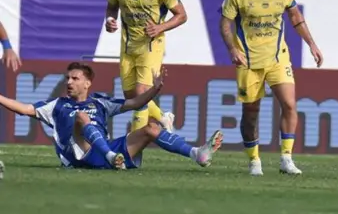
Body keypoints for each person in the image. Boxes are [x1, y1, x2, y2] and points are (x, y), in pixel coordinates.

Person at [218, 0, 323, 177]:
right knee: (251, 112)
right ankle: (254, 160)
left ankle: (286, 158)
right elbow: (225, 23)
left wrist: (312, 44)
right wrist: (232, 48)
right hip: (248, 60)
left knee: (289, 104)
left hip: (278, 57)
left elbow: (295, 17)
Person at [0, 62, 223, 170]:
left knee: (151, 129)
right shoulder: (58, 105)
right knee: (81, 117)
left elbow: (136, 102)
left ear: (87, 83)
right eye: (68, 78)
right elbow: (24, 108)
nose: (69, 82)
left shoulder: (100, 102)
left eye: (75, 79)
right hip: (79, 155)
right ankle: (110, 157)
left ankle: (197, 154)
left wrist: (155, 89)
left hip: (104, 150)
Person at [104, 0, 187, 136]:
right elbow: (111, 7)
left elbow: (182, 15)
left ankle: (132, 151)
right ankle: (161, 117)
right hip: (127, 46)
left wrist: (160, 27)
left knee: (141, 94)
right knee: (132, 98)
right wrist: (109, 21)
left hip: (151, 46)